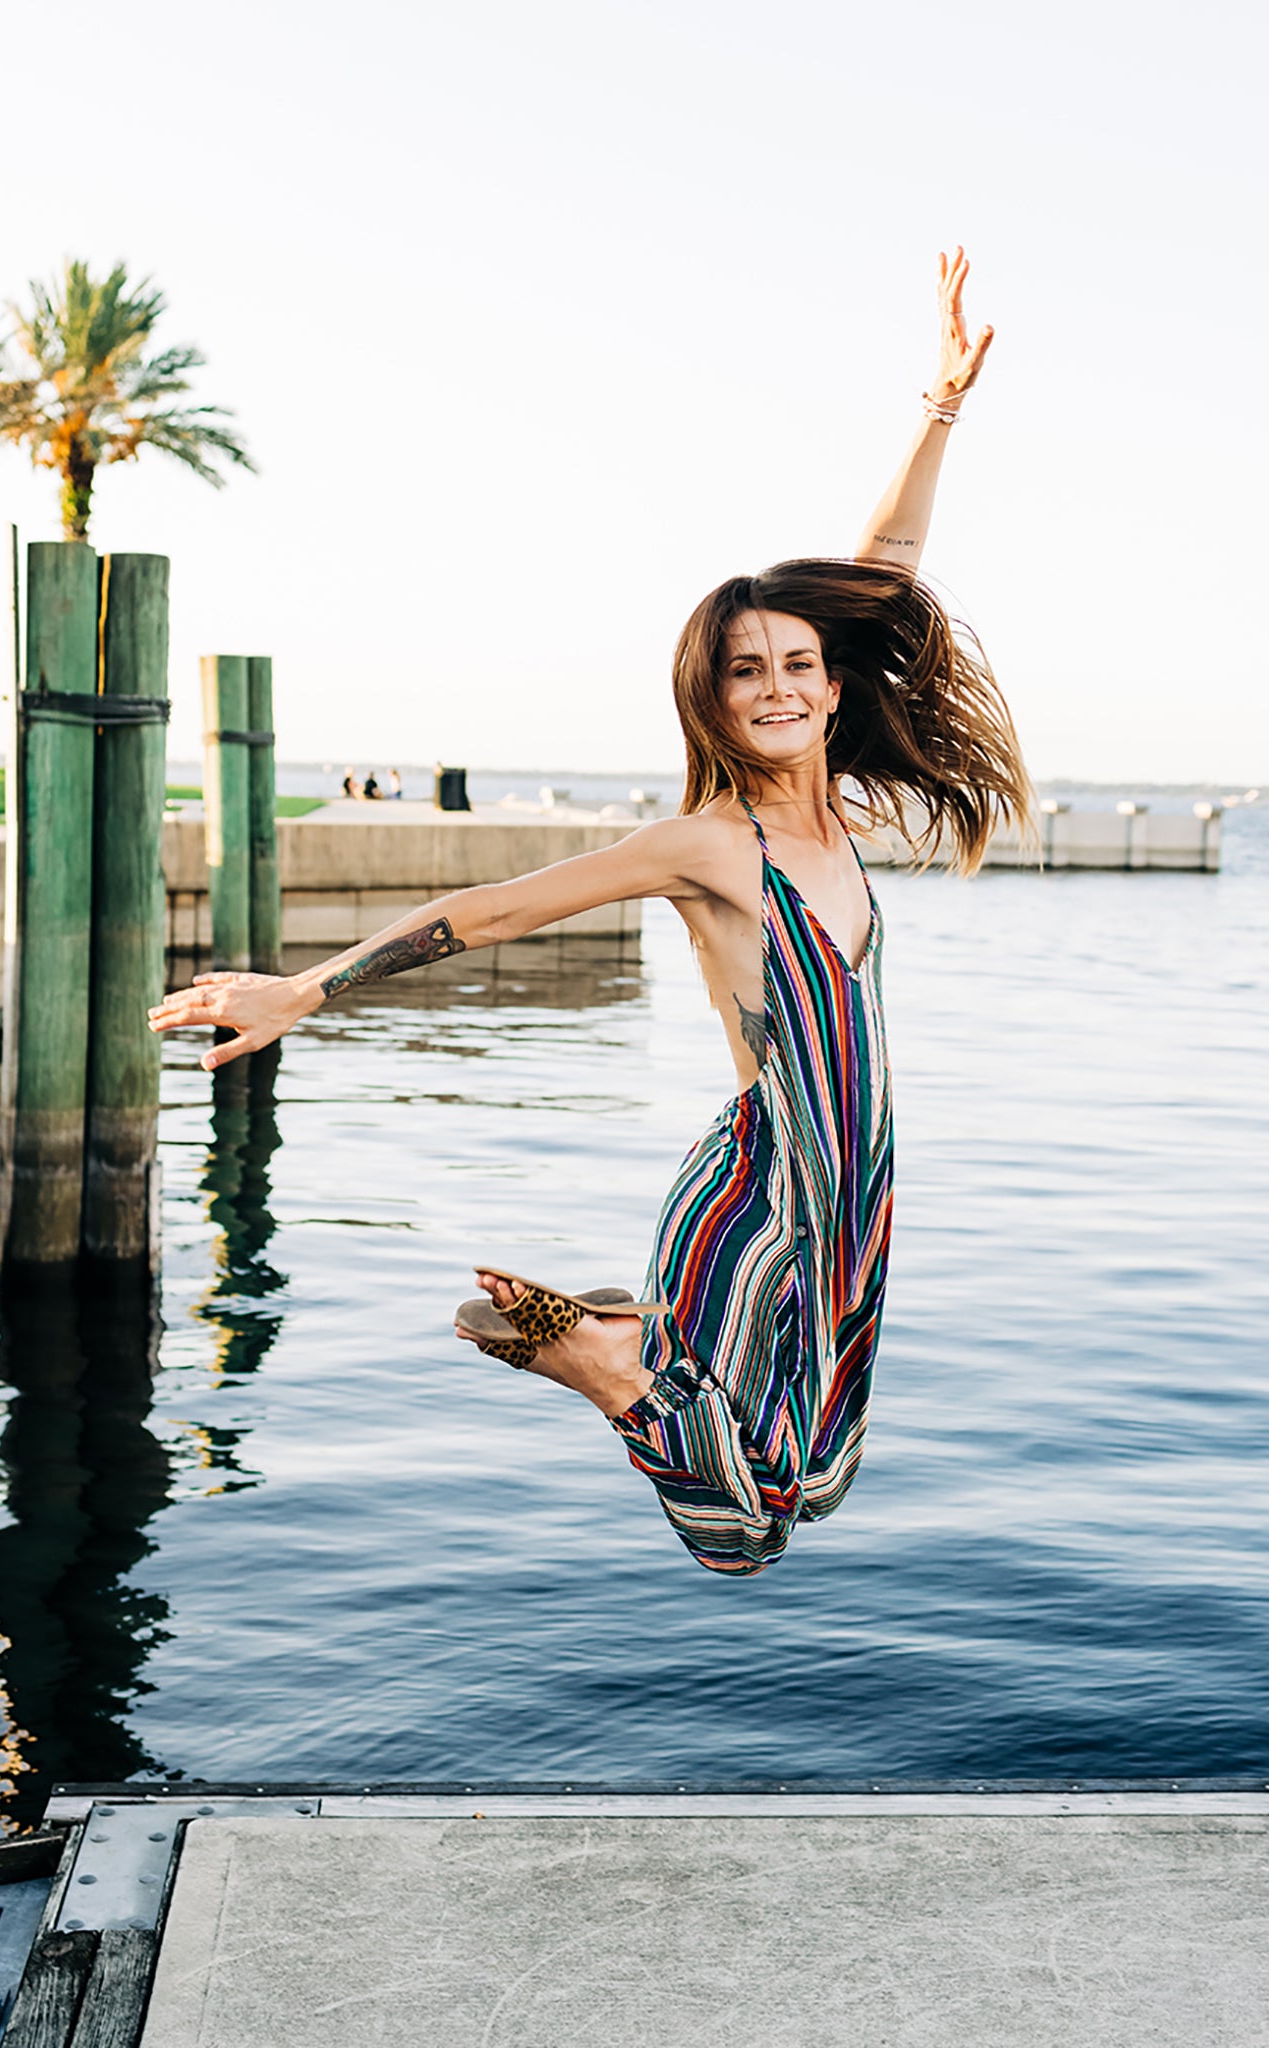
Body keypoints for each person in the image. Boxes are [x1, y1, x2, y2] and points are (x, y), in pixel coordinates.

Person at [149, 250, 1033, 1575]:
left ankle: (628, 1343)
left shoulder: (830, 807)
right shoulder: (709, 842)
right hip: (765, 1188)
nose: (779, 687)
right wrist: (302, 993)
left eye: (799, 664)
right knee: (747, 1527)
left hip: (856, 1192)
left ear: (837, 687)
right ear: (712, 699)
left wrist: (940, 409)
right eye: (747, 672)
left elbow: (886, 570)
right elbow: (494, 912)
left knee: (817, 1480)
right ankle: (607, 1366)